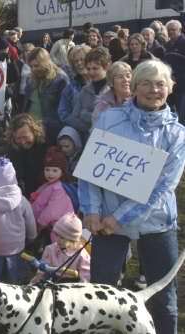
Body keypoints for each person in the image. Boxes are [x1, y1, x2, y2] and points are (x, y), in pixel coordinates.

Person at [79, 60, 185, 333]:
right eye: (146, 83)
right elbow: (90, 168)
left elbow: (162, 188)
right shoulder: (110, 118)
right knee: (102, 293)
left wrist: (119, 217)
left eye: (160, 83)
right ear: (134, 86)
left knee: (163, 298)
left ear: (170, 88)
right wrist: (90, 209)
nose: (153, 89)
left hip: (156, 223)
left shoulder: (177, 135)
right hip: (105, 223)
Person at [0, 158, 36, 284]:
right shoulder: (22, 200)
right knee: (15, 274)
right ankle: (15, 287)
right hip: (16, 246)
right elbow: (30, 221)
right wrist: (32, 236)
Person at [22, 47, 69, 144]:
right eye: (31, 66)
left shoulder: (60, 79)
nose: (33, 69)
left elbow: (64, 111)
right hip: (30, 130)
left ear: (45, 63)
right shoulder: (30, 80)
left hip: (50, 131)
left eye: (36, 66)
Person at [30, 213, 90, 283]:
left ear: (72, 239)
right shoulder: (50, 249)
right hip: (52, 283)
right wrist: (36, 280)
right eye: (57, 235)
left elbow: (86, 277)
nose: (58, 239)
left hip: (72, 286)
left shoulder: (81, 255)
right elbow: (42, 269)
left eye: (62, 238)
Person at [66, 47, 111, 140]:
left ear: (106, 67)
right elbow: (74, 118)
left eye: (95, 68)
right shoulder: (85, 90)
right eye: (89, 68)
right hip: (90, 140)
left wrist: (85, 115)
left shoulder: (113, 89)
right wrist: (91, 127)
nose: (91, 72)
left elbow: (111, 120)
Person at [30, 146, 74, 242]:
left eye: (55, 170)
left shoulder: (59, 189)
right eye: (47, 170)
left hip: (59, 231)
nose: (50, 174)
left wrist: (39, 225)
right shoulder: (49, 185)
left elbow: (51, 212)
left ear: (62, 172)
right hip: (51, 228)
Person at [6, 113, 48, 196]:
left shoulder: (46, 146)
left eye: (25, 137)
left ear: (34, 132)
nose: (23, 142)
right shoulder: (13, 151)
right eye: (18, 138)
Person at [57, 45, 91, 124]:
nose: (79, 63)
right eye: (76, 61)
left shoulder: (103, 82)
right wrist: (79, 124)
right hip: (78, 128)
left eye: (82, 59)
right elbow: (63, 113)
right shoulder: (70, 88)